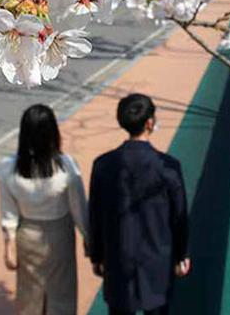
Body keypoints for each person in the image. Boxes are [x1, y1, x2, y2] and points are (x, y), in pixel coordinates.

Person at [89, 93, 190, 315]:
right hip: (157, 260)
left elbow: (95, 214)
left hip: (118, 258)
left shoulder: (103, 165)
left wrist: (96, 254)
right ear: (150, 123)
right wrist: (181, 254)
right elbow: (179, 217)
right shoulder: (168, 168)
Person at [0, 104, 89, 315]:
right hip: (59, 237)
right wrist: (89, 237)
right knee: (62, 291)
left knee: (30, 292)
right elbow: (79, 208)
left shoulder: (7, 168)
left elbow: (8, 211)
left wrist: (8, 245)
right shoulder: (66, 166)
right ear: (53, 133)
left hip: (27, 235)